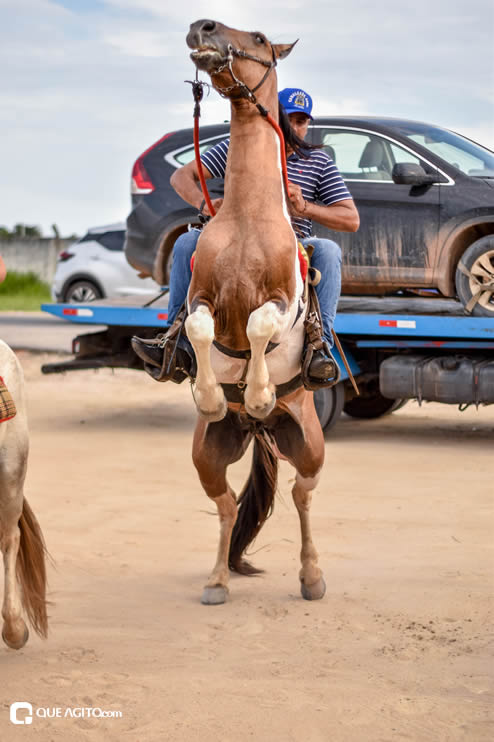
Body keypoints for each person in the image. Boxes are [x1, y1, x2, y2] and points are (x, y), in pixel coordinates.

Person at [133, 87, 359, 386]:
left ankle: (319, 347)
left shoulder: (318, 162)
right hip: (234, 242)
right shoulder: (236, 149)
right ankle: (176, 342)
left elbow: (350, 218)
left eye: (302, 121)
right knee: (187, 241)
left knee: (328, 251)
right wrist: (206, 205)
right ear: (272, 120)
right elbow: (180, 177)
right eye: (289, 119)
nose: (295, 127)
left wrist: (305, 208)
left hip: (291, 245)